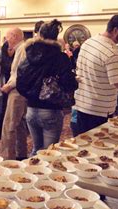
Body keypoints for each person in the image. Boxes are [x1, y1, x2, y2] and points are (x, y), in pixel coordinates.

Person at [17, 19, 78, 155]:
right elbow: (68, 83)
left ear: (40, 35)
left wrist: (32, 95)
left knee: (35, 149)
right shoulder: (60, 58)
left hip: (31, 109)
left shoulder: (28, 56)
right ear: (56, 37)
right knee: (49, 153)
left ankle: (31, 174)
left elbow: (20, 83)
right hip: (51, 110)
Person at [0, 28, 28, 160]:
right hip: (23, 90)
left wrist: (8, 86)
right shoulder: (23, 48)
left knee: (9, 126)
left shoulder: (22, 49)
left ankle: (7, 159)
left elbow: (19, 72)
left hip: (17, 91)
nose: (6, 41)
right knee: (20, 125)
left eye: (7, 37)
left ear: (14, 36)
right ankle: (21, 154)